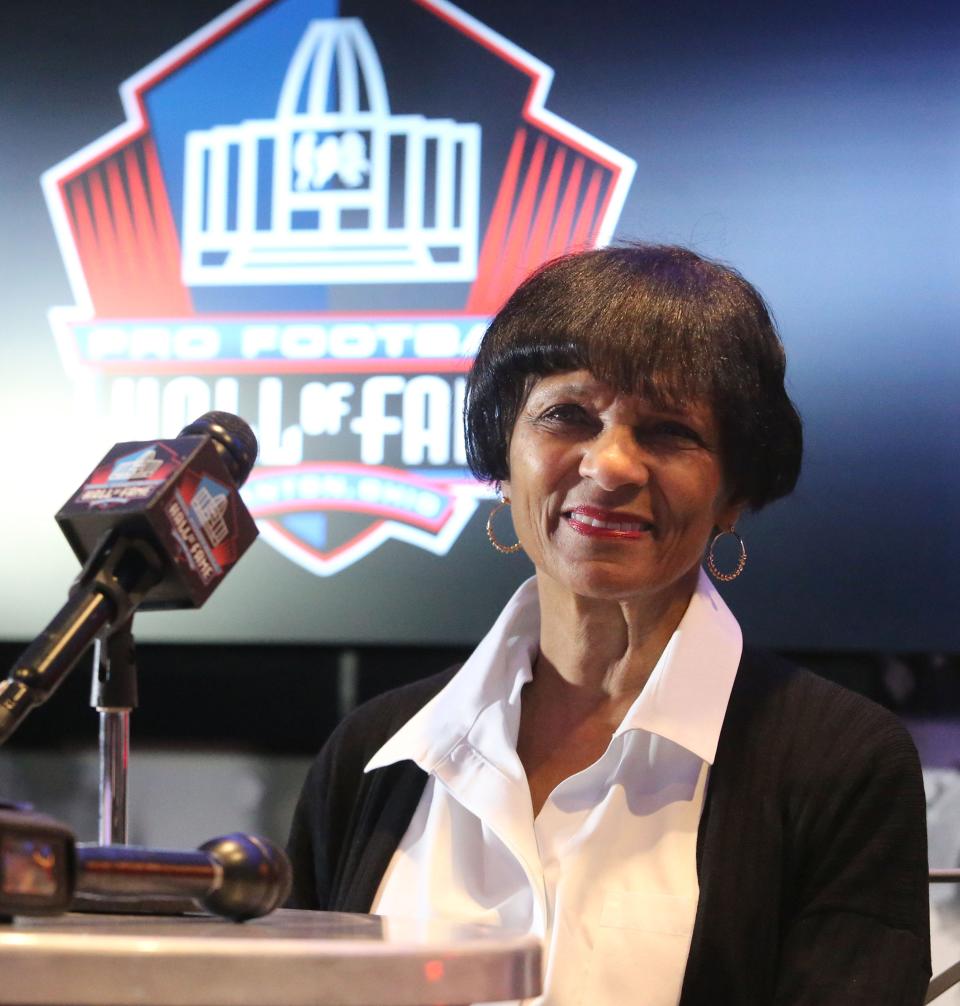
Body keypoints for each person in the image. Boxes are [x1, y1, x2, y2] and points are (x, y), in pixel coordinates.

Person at [286, 244, 931, 1004]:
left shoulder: (839, 764)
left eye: (667, 431)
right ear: (503, 455)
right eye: (568, 415)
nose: (611, 465)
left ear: (733, 493)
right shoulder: (376, 755)